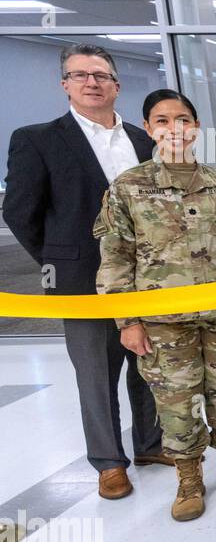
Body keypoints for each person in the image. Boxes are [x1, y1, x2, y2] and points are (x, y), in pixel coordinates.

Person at [94, 89, 216, 522]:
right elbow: (116, 257)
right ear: (149, 129)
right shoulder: (129, 188)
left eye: (182, 120)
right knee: (178, 401)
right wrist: (127, 320)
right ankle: (189, 477)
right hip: (162, 323)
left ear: (195, 128)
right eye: (162, 120)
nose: (174, 128)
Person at [3, 45, 168, 501]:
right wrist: (58, 260)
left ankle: (150, 444)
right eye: (80, 75)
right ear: (65, 85)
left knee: (149, 365)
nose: (91, 82)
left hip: (146, 279)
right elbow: (20, 212)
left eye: (100, 75)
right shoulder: (38, 138)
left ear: (116, 85)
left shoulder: (141, 140)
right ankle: (109, 463)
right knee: (97, 375)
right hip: (82, 284)